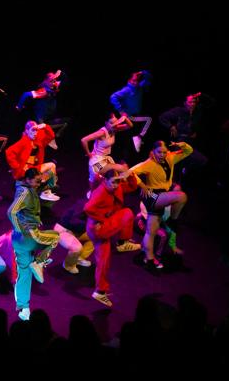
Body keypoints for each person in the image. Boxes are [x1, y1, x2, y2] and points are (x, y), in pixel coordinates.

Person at [126, 140, 192, 269]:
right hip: (152, 195)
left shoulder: (171, 157)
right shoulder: (149, 164)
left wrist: (182, 145)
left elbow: (189, 151)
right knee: (181, 196)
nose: (162, 154)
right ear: (153, 151)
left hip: (160, 196)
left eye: (164, 152)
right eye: (159, 152)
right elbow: (130, 172)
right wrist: (142, 185)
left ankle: (149, 259)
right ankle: (173, 221)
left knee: (151, 232)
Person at [84, 165, 142, 308]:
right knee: (128, 212)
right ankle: (123, 242)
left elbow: (133, 187)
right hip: (97, 228)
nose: (116, 184)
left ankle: (100, 291)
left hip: (103, 229)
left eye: (118, 181)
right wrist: (102, 219)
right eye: (113, 181)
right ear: (106, 180)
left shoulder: (118, 187)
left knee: (104, 261)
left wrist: (128, 174)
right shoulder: (101, 191)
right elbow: (87, 208)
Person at [8, 168, 60, 321]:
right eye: (36, 181)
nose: (39, 184)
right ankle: (40, 262)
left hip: (18, 240)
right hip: (28, 235)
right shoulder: (24, 192)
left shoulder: (28, 187)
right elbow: (11, 212)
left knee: (24, 273)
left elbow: (50, 173)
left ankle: (23, 308)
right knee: (55, 237)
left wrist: (45, 177)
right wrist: (21, 228)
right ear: (28, 180)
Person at [159, 92, 211, 181]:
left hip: (190, 142)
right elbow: (162, 117)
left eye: (194, 102)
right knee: (176, 166)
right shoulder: (179, 111)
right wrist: (170, 126)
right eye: (190, 102)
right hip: (180, 142)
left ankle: (184, 169)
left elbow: (211, 102)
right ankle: (172, 183)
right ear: (185, 103)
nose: (192, 104)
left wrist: (201, 94)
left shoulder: (197, 112)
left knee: (202, 160)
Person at [5, 121, 60, 202]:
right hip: (26, 170)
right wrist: (17, 166)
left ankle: (46, 190)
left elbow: (51, 136)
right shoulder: (23, 141)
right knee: (47, 172)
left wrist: (45, 126)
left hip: (34, 167)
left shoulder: (38, 138)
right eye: (32, 130)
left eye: (36, 130)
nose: (35, 133)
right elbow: (9, 152)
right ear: (27, 131)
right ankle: (45, 190)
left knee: (52, 166)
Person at [80, 113, 133, 193]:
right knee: (95, 177)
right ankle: (92, 193)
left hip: (105, 158)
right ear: (106, 123)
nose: (114, 125)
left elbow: (130, 126)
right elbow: (84, 140)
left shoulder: (115, 128)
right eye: (111, 123)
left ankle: (109, 190)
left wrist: (124, 118)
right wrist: (89, 154)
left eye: (116, 122)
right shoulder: (102, 132)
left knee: (120, 172)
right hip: (96, 160)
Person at [16, 70, 70, 140]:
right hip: (40, 120)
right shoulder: (44, 91)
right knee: (37, 138)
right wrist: (19, 107)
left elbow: (66, 80)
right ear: (47, 81)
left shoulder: (53, 87)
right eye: (52, 80)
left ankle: (53, 137)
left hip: (48, 118)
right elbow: (25, 94)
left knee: (67, 121)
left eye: (55, 80)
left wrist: (60, 72)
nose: (55, 82)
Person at [110, 70, 153, 154]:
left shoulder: (140, 87)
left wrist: (142, 72)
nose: (135, 83)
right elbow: (113, 97)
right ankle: (138, 138)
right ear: (129, 81)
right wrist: (121, 110)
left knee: (143, 125)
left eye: (136, 81)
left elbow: (149, 78)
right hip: (129, 116)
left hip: (136, 115)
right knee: (148, 120)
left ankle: (138, 140)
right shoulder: (126, 90)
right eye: (133, 80)